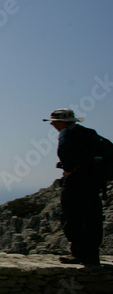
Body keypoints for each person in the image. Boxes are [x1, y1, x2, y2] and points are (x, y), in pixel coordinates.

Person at [44, 108, 104, 266]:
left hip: (77, 182)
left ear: (61, 122)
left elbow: (64, 154)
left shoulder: (67, 134)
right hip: (94, 181)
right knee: (92, 217)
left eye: (54, 123)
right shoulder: (90, 133)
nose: (53, 126)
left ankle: (80, 253)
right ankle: (92, 254)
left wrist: (69, 171)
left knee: (72, 217)